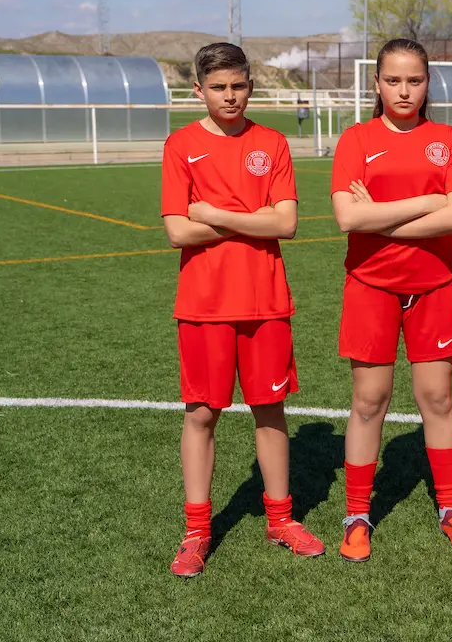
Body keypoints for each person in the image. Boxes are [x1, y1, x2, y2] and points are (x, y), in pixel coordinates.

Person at [161, 42, 324, 578]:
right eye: (218, 88)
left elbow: (285, 224)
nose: (230, 97)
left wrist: (211, 210)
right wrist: (247, 215)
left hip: (265, 300)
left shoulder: (272, 142)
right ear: (198, 91)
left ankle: (280, 519)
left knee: (269, 408)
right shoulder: (181, 145)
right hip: (204, 303)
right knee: (202, 413)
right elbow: (177, 230)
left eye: (238, 86)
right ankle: (197, 531)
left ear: (250, 85)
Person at [330, 38, 452, 561]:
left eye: (414, 80)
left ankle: (451, 506)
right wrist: (427, 203)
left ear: (427, 83)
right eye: (393, 80)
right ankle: (356, 515)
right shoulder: (355, 139)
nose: (403, 90)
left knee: (437, 399)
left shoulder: (448, 140)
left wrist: (384, 218)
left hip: (433, 285)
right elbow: (349, 218)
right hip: (369, 286)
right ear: (376, 83)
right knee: (369, 402)